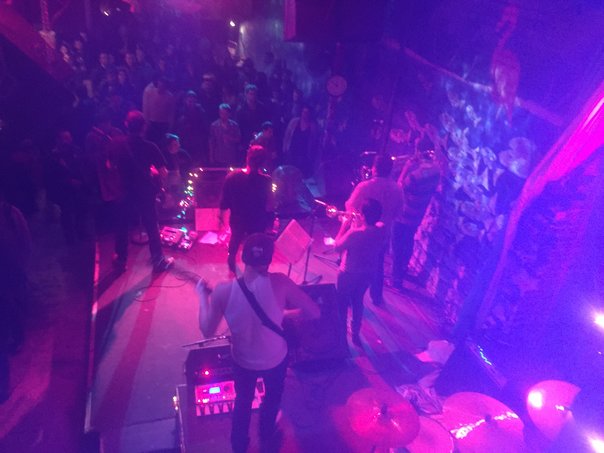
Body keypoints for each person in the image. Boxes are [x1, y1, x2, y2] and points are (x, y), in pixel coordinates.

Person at [196, 233, 320, 453]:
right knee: (272, 397)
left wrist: (202, 298)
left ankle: (239, 445)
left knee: (243, 402)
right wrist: (282, 314)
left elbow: (206, 331)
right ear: (269, 260)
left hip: (243, 362)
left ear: (243, 258)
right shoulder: (281, 282)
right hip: (275, 360)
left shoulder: (223, 291)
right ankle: (266, 432)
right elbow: (314, 312)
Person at [112, 110, 174, 273]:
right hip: (145, 192)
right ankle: (158, 261)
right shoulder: (150, 147)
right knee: (151, 225)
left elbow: (109, 166)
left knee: (122, 226)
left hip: (125, 191)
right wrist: (152, 173)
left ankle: (120, 261)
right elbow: (163, 172)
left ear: (126, 125)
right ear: (144, 127)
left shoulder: (117, 144)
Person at [345, 154, 403, 305]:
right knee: (378, 264)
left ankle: (350, 298)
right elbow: (399, 213)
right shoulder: (397, 189)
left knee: (354, 264)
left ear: (374, 169)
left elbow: (350, 206)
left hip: (361, 232)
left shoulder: (364, 186)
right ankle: (376, 296)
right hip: (382, 234)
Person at [335, 199, 386, 347]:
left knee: (342, 304)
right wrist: (360, 223)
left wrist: (345, 224)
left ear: (362, 215)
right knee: (358, 301)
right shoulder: (381, 231)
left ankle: (342, 336)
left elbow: (337, 247)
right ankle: (355, 333)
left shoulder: (354, 234)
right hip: (367, 273)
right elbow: (373, 229)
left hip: (348, 273)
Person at [391, 143, 440, 288]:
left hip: (403, 213)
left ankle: (396, 278)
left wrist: (406, 167)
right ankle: (401, 272)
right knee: (407, 242)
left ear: (419, 151)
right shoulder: (436, 172)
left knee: (397, 246)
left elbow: (399, 187)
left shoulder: (415, 174)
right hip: (417, 214)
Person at [219, 146, 274, 274]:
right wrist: (271, 221)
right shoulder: (266, 181)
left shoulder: (232, 177)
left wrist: (222, 220)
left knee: (235, 238)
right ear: (263, 162)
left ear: (247, 158)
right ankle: (251, 267)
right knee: (255, 243)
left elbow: (224, 203)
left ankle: (231, 259)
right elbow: (270, 205)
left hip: (238, 219)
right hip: (257, 220)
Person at [282, 105, 319, 179]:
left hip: (304, 155)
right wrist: (284, 148)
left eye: (307, 112)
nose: (305, 114)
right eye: (304, 112)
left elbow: (314, 141)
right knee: (290, 173)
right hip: (292, 151)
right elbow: (287, 135)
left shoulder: (312, 126)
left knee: (300, 174)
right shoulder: (294, 122)